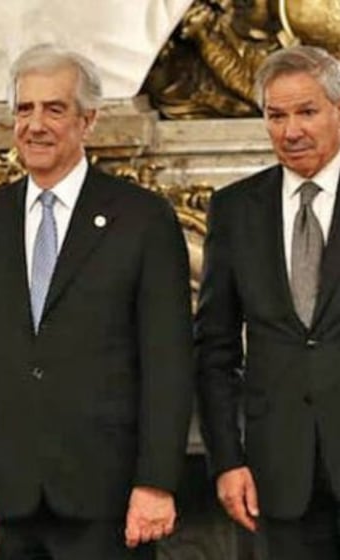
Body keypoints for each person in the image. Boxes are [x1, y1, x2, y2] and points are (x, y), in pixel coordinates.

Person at [0, 44, 195, 559]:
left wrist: (157, 483)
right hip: (7, 497)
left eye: (54, 109)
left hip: (108, 494)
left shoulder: (142, 219)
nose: (36, 124)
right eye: (24, 109)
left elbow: (168, 361)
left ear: (89, 120)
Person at [196, 45, 340, 559]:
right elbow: (214, 350)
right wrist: (227, 462)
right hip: (273, 481)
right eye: (276, 116)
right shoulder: (235, 210)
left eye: (307, 112)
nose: (291, 130)